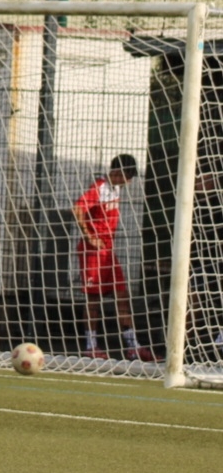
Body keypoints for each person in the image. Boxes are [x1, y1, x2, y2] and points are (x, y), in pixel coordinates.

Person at [74, 154, 156, 362]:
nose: (130, 182)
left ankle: (133, 346)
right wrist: (89, 236)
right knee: (93, 299)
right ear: (119, 173)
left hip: (109, 253)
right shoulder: (100, 187)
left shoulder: (115, 188)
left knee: (122, 296)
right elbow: (78, 208)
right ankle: (91, 346)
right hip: (93, 253)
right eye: (129, 177)